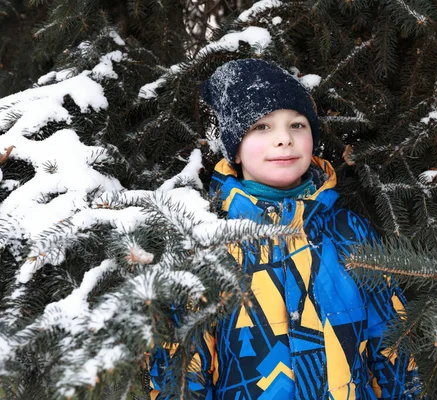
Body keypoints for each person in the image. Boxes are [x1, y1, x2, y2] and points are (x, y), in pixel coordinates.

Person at [148, 58, 423, 399]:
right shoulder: (208, 238)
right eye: (261, 127)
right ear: (234, 146)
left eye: (297, 125)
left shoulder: (351, 231)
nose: (284, 140)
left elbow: (394, 345)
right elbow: (180, 371)